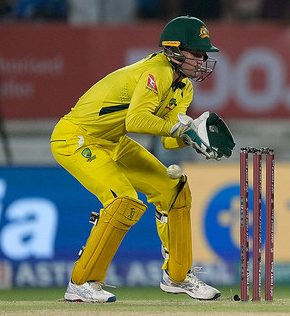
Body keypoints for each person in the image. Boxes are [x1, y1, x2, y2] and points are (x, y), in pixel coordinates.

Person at [50, 16, 235, 303]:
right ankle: (82, 283)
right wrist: (181, 128)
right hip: (77, 137)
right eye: (196, 53)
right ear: (174, 50)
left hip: (114, 141)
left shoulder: (183, 86)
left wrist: (191, 138)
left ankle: (177, 276)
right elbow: (136, 119)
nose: (202, 60)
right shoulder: (157, 71)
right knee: (123, 200)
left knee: (174, 190)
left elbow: (167, 138)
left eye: (204, 54)